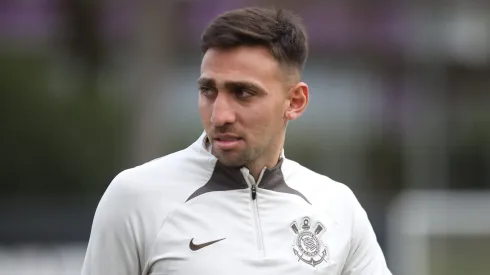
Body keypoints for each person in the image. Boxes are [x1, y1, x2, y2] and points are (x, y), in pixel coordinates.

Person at [81, 7, 392, 275]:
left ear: (295, 101)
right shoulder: (135, 197)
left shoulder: (337, 207)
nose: (219, 115)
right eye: (208, 91)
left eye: (243, 93)